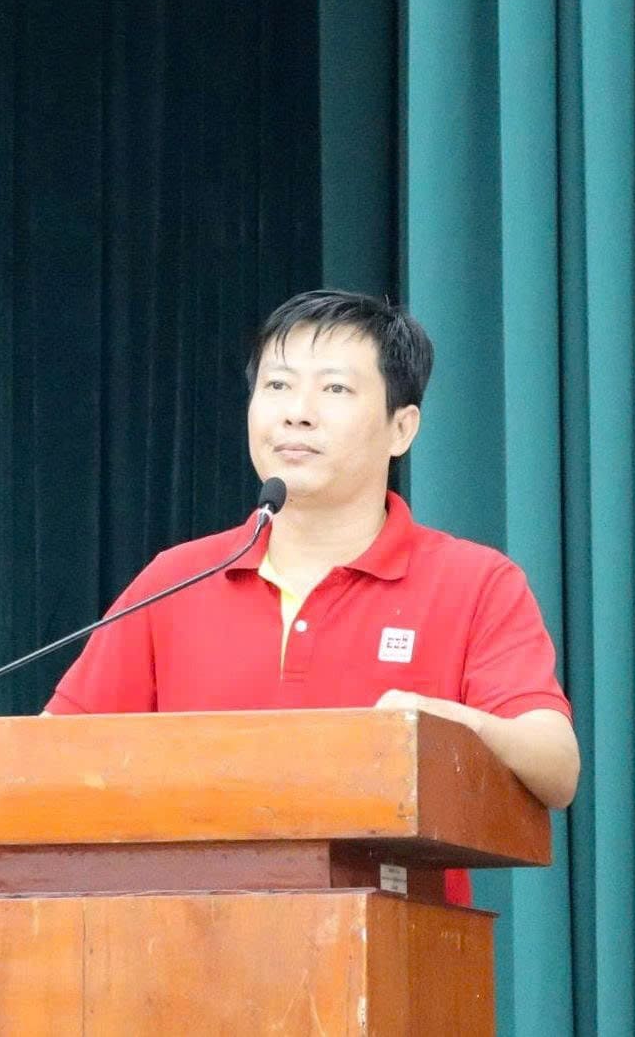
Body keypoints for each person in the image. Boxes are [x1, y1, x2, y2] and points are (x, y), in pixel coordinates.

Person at [44, 290, 580, 907]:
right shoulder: (178, 578)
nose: (297, 414)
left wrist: (452, 727)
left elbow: (555, 765)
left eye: (335, 389)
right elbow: (51, 761)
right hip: (184, 943)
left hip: (395, 950)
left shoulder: (474, 581)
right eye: (277, 386)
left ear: (401, 428)